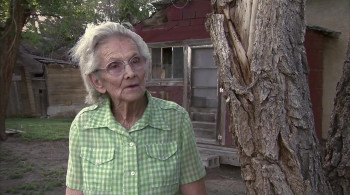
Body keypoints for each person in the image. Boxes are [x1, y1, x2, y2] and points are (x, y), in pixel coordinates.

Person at [65, 22, 206, 195]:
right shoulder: (83, 125)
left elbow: (195, 190)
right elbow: (75, 190)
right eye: (115, 66)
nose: (130, 72)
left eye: (135, 61)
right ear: (97, 82)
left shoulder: (176, 119)